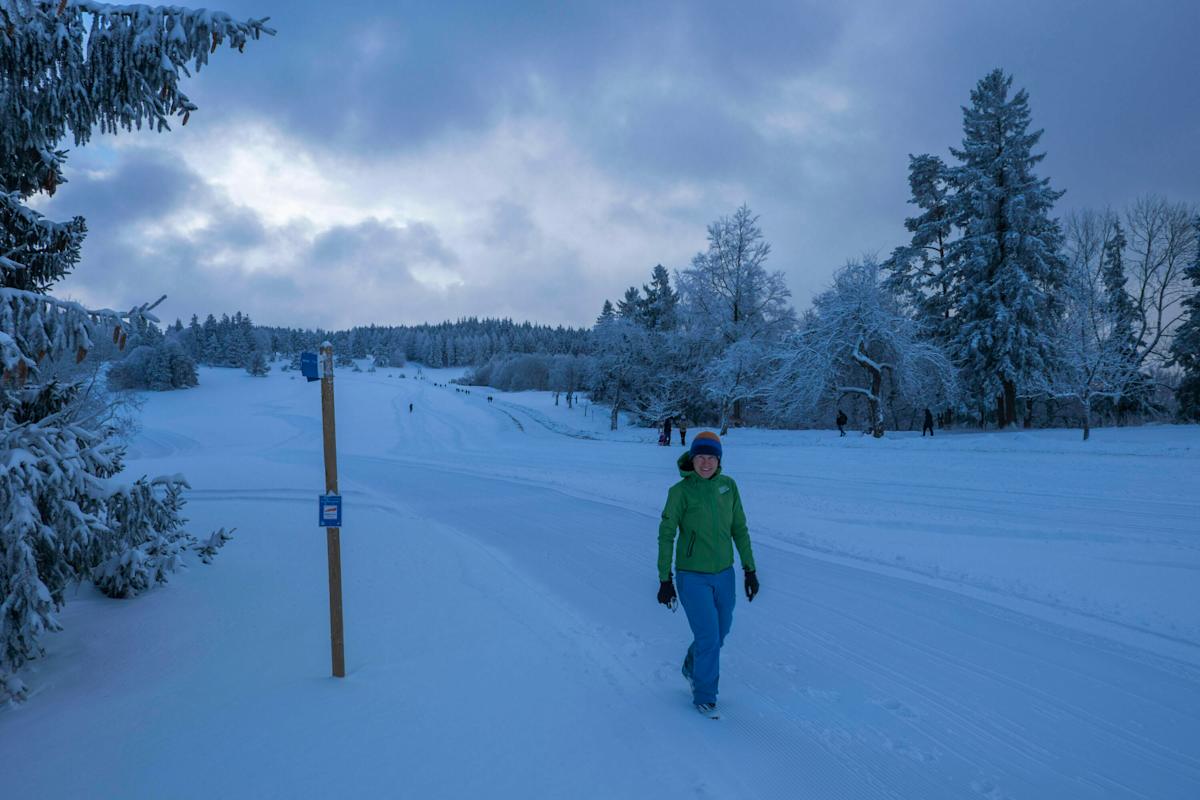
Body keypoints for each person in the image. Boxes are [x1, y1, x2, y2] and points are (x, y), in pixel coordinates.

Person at [656, 431, 758, 719]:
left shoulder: (728, 486)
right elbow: (666, 535)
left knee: (720, 632)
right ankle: (705, 696)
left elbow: (740, 528)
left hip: (724, 574)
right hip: (692, 576)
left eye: (711, 457)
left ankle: (692, 665)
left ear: (719, 460)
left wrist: (749, 569)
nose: (705, 463)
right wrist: (665, 578)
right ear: (692, 458)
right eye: (700, 456)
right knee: (709, 637)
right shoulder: (680, 492)